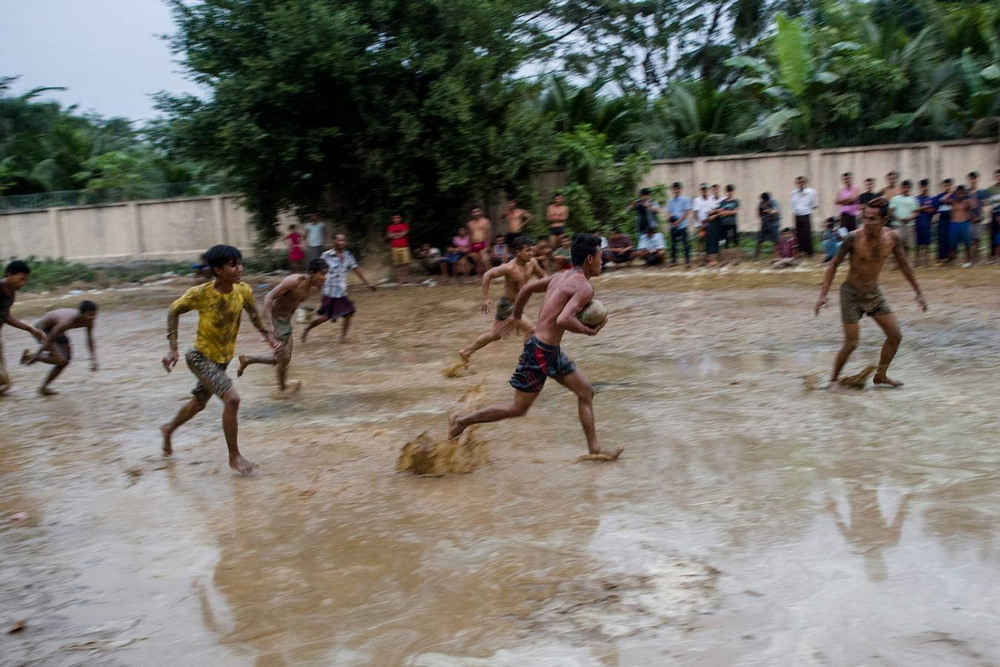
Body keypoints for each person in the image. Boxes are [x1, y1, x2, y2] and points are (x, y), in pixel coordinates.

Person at [448, 233, 623, 461]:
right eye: (601, 256)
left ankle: (595, 449)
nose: (604, 260)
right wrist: (588, 331)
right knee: (517, 408)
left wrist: (517, 316)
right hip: (541, 351)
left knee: (586, 392)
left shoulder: (560, 276)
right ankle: (461, 420)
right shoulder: (584, 288)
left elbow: (525, 291)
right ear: (590, 258)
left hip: (550, 350)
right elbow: (564, 319)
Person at [160, 244, 273, 475]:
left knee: (198, 403)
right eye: (234, 265)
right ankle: (234, 457)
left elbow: (254, 315)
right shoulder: (201, 293)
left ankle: (168, 429)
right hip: (199, 357)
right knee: (232, 399)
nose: (240, 268)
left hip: (221, 360)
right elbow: (173, 310)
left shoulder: (244, 291)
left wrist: (268, 336)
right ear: (218, 270)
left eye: (240, 263)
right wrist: (172, 348)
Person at [815, 197, 927, 388]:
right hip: (851, 294)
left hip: (873, 294)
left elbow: (904, 264)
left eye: (872, 219)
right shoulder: (853, 238)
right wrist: (823, 295)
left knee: (895, 335)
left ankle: (881, 375)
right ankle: (833, 379)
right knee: (851, 343)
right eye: (865, 218)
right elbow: (833, 265)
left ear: (884, 220)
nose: (866, 222)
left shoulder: (892, 238)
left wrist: (918, 292)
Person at [237, 258, 328, 393]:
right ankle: (282, 390)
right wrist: (269, 327)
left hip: (285, 320)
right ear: (312, 273)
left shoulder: (313, 290)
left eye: (326, 274)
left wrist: (291, 321)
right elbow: (268, 297)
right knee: (283, 357)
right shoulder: (294, 281)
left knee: (285, 358)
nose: (325, 277)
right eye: (323, 274)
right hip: (273, 317)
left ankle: (249, 360)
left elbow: (294, 303)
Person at [458, 236, 545, 364]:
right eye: (527, 251)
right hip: (507, 305)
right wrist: (486, 298)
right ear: (517, 252)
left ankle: (466, 352)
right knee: (531, 329)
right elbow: (487, 275)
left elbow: (543, 278)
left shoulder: (533, 263)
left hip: (518, 305)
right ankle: (526, 360)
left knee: (495, 335)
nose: (531, 253)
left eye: (531, 250)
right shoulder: (509, 268)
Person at [302, 233, 376, 343]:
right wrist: (309, 284)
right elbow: (316, 270)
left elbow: (356, 269)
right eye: (339, 240)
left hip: (342, 292)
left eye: (343, 240)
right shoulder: (326, 255)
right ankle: (307, 329)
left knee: (349, 313)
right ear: (334, 241)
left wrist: (368, 283)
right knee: (325, 317)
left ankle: (343, 337)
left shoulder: (348, 255)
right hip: (329, 292)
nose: (342, 243)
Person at [21, 301, 99, 395]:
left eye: (94, 314)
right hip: (42, 328)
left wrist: (93, 360)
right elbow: (49, 339)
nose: (92, 317)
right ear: (81, 313)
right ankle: (31, 356)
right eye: (89, 315)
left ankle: (44, 387)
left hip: (57, 329)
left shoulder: (89, 322)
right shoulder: (67, 321)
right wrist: (36, 355)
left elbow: (89, 340)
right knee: (61, 359)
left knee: (66, 360)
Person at [0, 260, 45, 395]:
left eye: (25, 280)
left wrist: (30, 329)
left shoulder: (10, 294)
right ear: (9, 275)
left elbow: (5, 316)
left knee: (4, 382)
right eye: (21, 279)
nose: (23, 283)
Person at [945, 185, 973, 267]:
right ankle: (952, 261)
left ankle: (968, 261)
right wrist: (951, 192)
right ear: (956, 193)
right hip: (954, 223)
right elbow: (943, 199)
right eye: (958, 192)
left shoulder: (967, 202)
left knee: (967, 243)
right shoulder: (953, 201)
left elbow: (970, 208)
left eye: (961, 193)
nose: (960, 194)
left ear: (963, 193)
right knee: (952, 244)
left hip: (964, 223)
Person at [888, 180, 919, 254]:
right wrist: (900, 219)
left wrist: (909, 218)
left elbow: (917, 212)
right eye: (904, 188)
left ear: (910, 188)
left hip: (909, 226)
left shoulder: (913, 199)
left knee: (907, 246)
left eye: (907, 188)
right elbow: (890, 211)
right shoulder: (895, 199)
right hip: (898, 226)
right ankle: (897, 264)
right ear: (901, 188)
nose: (906, 189)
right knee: (897, 245)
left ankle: (906, 263)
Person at [790, 176, 818, 257]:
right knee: (799, 234)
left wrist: (808, 210)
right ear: (796, 183)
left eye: (802, 182)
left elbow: (814, 204)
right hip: (797, 215)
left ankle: (809, 252)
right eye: (799, 182)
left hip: (806, 214)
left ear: (805, 183)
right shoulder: (793, 193)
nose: (800, 184)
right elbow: (793, 205)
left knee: (807, 234)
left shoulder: (811, 192)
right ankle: (800, 251)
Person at [667, 182, 692, 266]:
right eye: (674, 189)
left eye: (677, 189)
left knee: (685, 244)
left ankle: (687, 261)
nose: (676, 190)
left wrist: (678, 221)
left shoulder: (685, 199)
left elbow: (686, 212)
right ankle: (674, 261)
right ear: (672, 190)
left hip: (682, 225)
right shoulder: (670, 201)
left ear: (680, 189)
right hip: (673, 225)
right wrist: (672, 221)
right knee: (673, 244)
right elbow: (669, 212)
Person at [692, 183, 718, 263]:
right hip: (700, 225)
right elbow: (695, 213)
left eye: (705, 189)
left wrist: (708, 219)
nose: (704, 191)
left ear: (707, 190)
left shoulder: (711, 200)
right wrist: (700, 223)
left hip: (709, 224)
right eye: (702, 189)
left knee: (709, 241)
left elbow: (714, 210)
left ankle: (707, 258)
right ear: (700, 190)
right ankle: (699, 259)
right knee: (700, 241)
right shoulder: (697, 200)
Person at [967, 171, 989, 265]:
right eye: (970, 179)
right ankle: (972, 259)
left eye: (973, 179)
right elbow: (966, 206)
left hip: (979, 219)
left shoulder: (982, 192)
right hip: (969, 219)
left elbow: (984, 206)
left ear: (977, 179)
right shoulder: (966, 193)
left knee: (978, 239)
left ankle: (978, 259)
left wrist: (980, 217)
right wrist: (971, 216)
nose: (972, 181)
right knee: (970, 240)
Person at [716, 184, 741, 265]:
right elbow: (720, 213)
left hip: (732, 224)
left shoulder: (736, 201)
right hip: (724, 224)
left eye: (730, 191)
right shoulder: (722, 202)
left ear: (732, 192)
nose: (729, 193)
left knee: (735, 241)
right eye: (728, 191)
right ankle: (725, 260)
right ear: (726, 192)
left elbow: (736, 212)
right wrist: (730, 212)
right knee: (725, 242)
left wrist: (726, 212)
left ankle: (736, 259)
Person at [914, 179, 935, 267]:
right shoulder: (916, 199)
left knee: (927, 245)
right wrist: (924, 208)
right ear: (919, 188)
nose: (924, 188)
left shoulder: (930, 198)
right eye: (922, 187)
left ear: (928, 187)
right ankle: (917, 263)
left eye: (926, 186)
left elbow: (932, 210)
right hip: (917, 224)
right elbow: (915, 210)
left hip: (927, 224)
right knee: (918, 245)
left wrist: (927, 210)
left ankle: (927, 263)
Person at [932, 179, 954, 262]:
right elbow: (937, 203)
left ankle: (950, 256)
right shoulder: (938, 196)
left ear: (951, 186)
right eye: (945, 186)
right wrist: (948, 196)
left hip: (952, 219)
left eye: (948, 186)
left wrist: (948, 199)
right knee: (942, 238)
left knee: (950, 238)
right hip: (942, 219)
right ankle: (942, 257)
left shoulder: (954, 195)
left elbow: (955, 202)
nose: (946, 187)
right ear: (942, 187)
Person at [386, 214, 412, 284]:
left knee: (406, 263)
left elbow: (405, 233)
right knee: (398, 264)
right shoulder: (390, 227)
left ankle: (407, 279)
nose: (396, 219)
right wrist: (400, 234)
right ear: (392, 220)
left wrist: (394, 235)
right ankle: (401, 280)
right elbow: (389, 235)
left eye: (397, 218)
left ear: (400, 219)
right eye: (394, 218)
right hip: (395, 247)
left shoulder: (404, 225)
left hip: (404, 246)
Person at [755, 192, 781, 260]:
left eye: (765, 200)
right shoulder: (761, 203)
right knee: (759, 239)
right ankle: (756, 257)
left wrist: (768, 210)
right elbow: (758, 212)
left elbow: (775, 211)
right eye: (763, 200)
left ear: (768, 199)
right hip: (765, 223)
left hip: (774, 222)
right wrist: (761, 219)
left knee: (776, 240)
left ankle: (777, 256)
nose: (764, 202)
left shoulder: (774, 202)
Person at [467, 206, 492, 275]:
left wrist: (488, 245)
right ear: (471, 214)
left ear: (480, 212)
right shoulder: (469, 223)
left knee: (485, 260)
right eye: (474, 212)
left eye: (477, 211)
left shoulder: (485, 221)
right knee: (477, 262)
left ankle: (491, 276)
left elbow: (488, 234)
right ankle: (480, 278)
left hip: (483, 243)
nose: (475, 213)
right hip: (473, 245)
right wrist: (469, 246)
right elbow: (469, 235)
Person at [989, 168, 1000, 262]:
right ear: (995, 177)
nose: (999, 178)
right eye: (997, 176)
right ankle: (995, 256)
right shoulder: (991, 189)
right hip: (995, 214)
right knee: (995, 234)